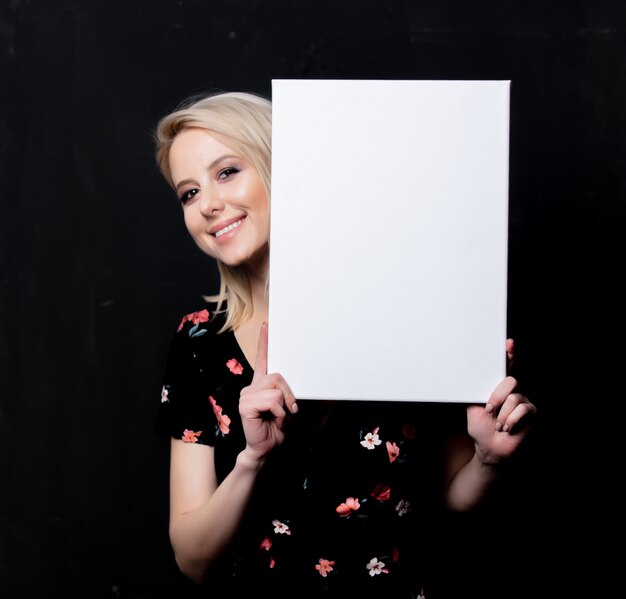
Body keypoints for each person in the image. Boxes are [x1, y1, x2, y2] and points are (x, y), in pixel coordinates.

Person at [153, 90, 537, 598]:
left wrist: (488, 459)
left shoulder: (407, 308)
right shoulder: (198, 341)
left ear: (282, 169)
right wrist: (251, 459)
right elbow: (193, 560)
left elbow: (448, 502)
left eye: (227, 172)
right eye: (189, 193)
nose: (208, 204)